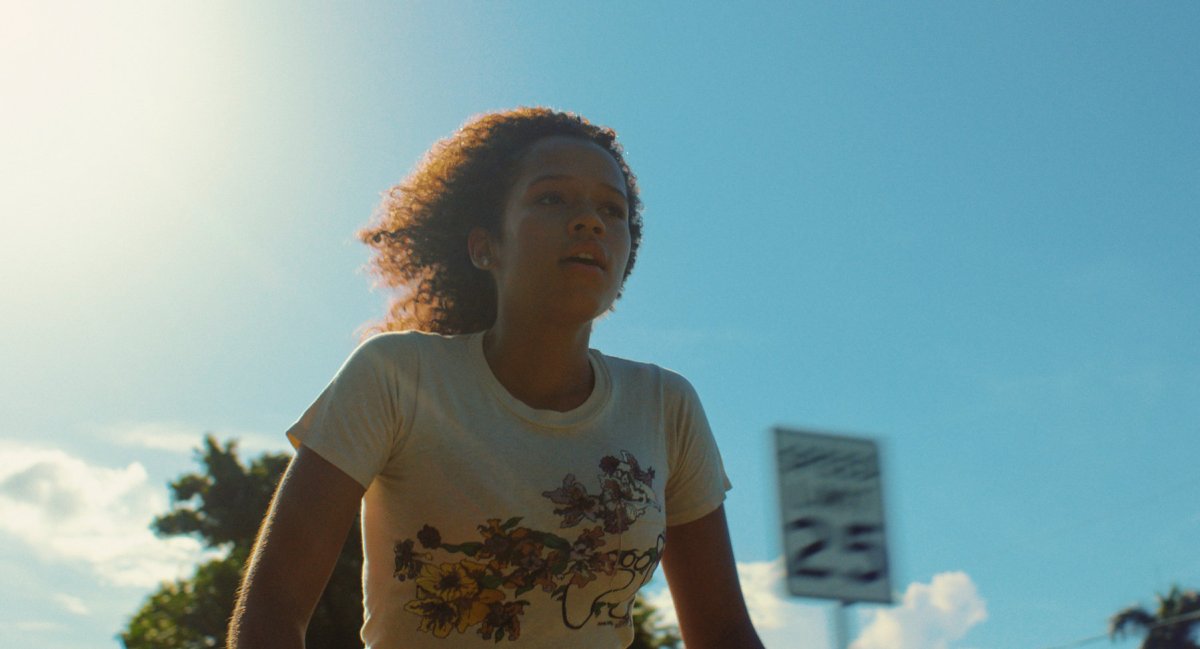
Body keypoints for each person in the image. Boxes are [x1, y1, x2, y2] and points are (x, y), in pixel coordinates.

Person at [228, 107, 764, 649]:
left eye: (612, 209)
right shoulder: (396, 376)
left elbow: (723, 633)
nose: (590, 221)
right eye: (551, 199)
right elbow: (273, 605)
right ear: (484, 246)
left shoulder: (665, 407)